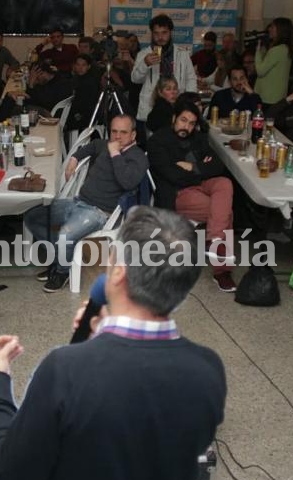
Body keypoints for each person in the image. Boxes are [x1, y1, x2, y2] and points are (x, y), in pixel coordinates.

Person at [0, 205, 226, 480]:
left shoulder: (64, 370)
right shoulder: (209, 370)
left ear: (118, 272)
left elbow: (12, 475)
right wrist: (98, 339)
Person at [24, 115, 148, 292]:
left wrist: (115, 154)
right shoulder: (104, 145)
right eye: (114, 131)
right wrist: (74, 159)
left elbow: (127, 182)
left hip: (99, 212)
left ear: (133, 135)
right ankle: (60, 258)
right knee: (32, 217)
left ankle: (62, 272)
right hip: (78, 202)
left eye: (123, 132)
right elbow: (90, 147)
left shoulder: (138, 158)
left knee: (65, 235)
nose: (117, 136)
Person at [147, 100, 236, 292]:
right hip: (178, 192)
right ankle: (222, 271)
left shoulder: (198, 138)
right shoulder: (158, 141)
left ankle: (214, 237)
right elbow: (172, 175)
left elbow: (218, 166)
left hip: (201, 184)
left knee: (224, 183)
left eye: (191, 123)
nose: (186, 126)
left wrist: (193, 167)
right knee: (225, 213)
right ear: (174, 118)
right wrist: (201, 169)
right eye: (183, 120)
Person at [132, 15, 196, 143]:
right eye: (156, 33)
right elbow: (135, 79)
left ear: (170, 32)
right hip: (151, 109)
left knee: (175, 146)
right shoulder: (144, 54)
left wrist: (189, 103)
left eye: (164, 33)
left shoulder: (182, 53)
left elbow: (190, 79)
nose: (160, 37)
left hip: (176, 107)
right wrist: (145, 64)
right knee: (150, 146)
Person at [254, 17, 293, 106]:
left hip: (268, 97)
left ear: (280, 30)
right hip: (278, 96)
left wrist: (257, 51)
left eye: (272, 27)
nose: (269, 29)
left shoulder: (277, 50)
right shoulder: (286, 49)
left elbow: (260, 71)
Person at [67, 54, 101, 132]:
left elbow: (91, 102)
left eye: (83, 65)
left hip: (87, 115)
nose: (80, 68)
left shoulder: (91, 82)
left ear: (88, 67)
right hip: (78, 112)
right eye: (78, 65)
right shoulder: (76, 79)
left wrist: (80, 114)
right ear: (74, 66)